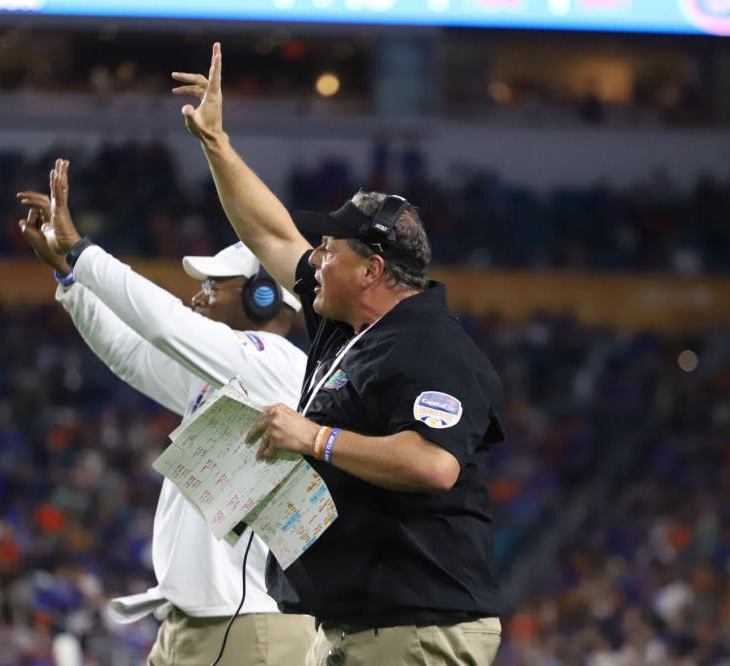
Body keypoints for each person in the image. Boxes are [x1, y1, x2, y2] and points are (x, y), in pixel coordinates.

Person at [171, 44, 505, 665]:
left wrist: (314, 438)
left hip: (413, 629)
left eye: (329, 249)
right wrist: (214, 142)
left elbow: (434, 465)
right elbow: (268, 231)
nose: (315, 260)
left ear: (373, 269)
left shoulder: (431, 345)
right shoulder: (345, 327)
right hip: (356, 627)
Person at [15, 159, 314, 666]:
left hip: (243, 625)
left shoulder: (277, 366)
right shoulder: (232, 375)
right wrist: (69, 277)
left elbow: (164, 326)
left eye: (215, 286)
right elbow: (133, 354)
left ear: (263, 297)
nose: (199, 296)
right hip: (199, 623)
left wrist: (82, 252)